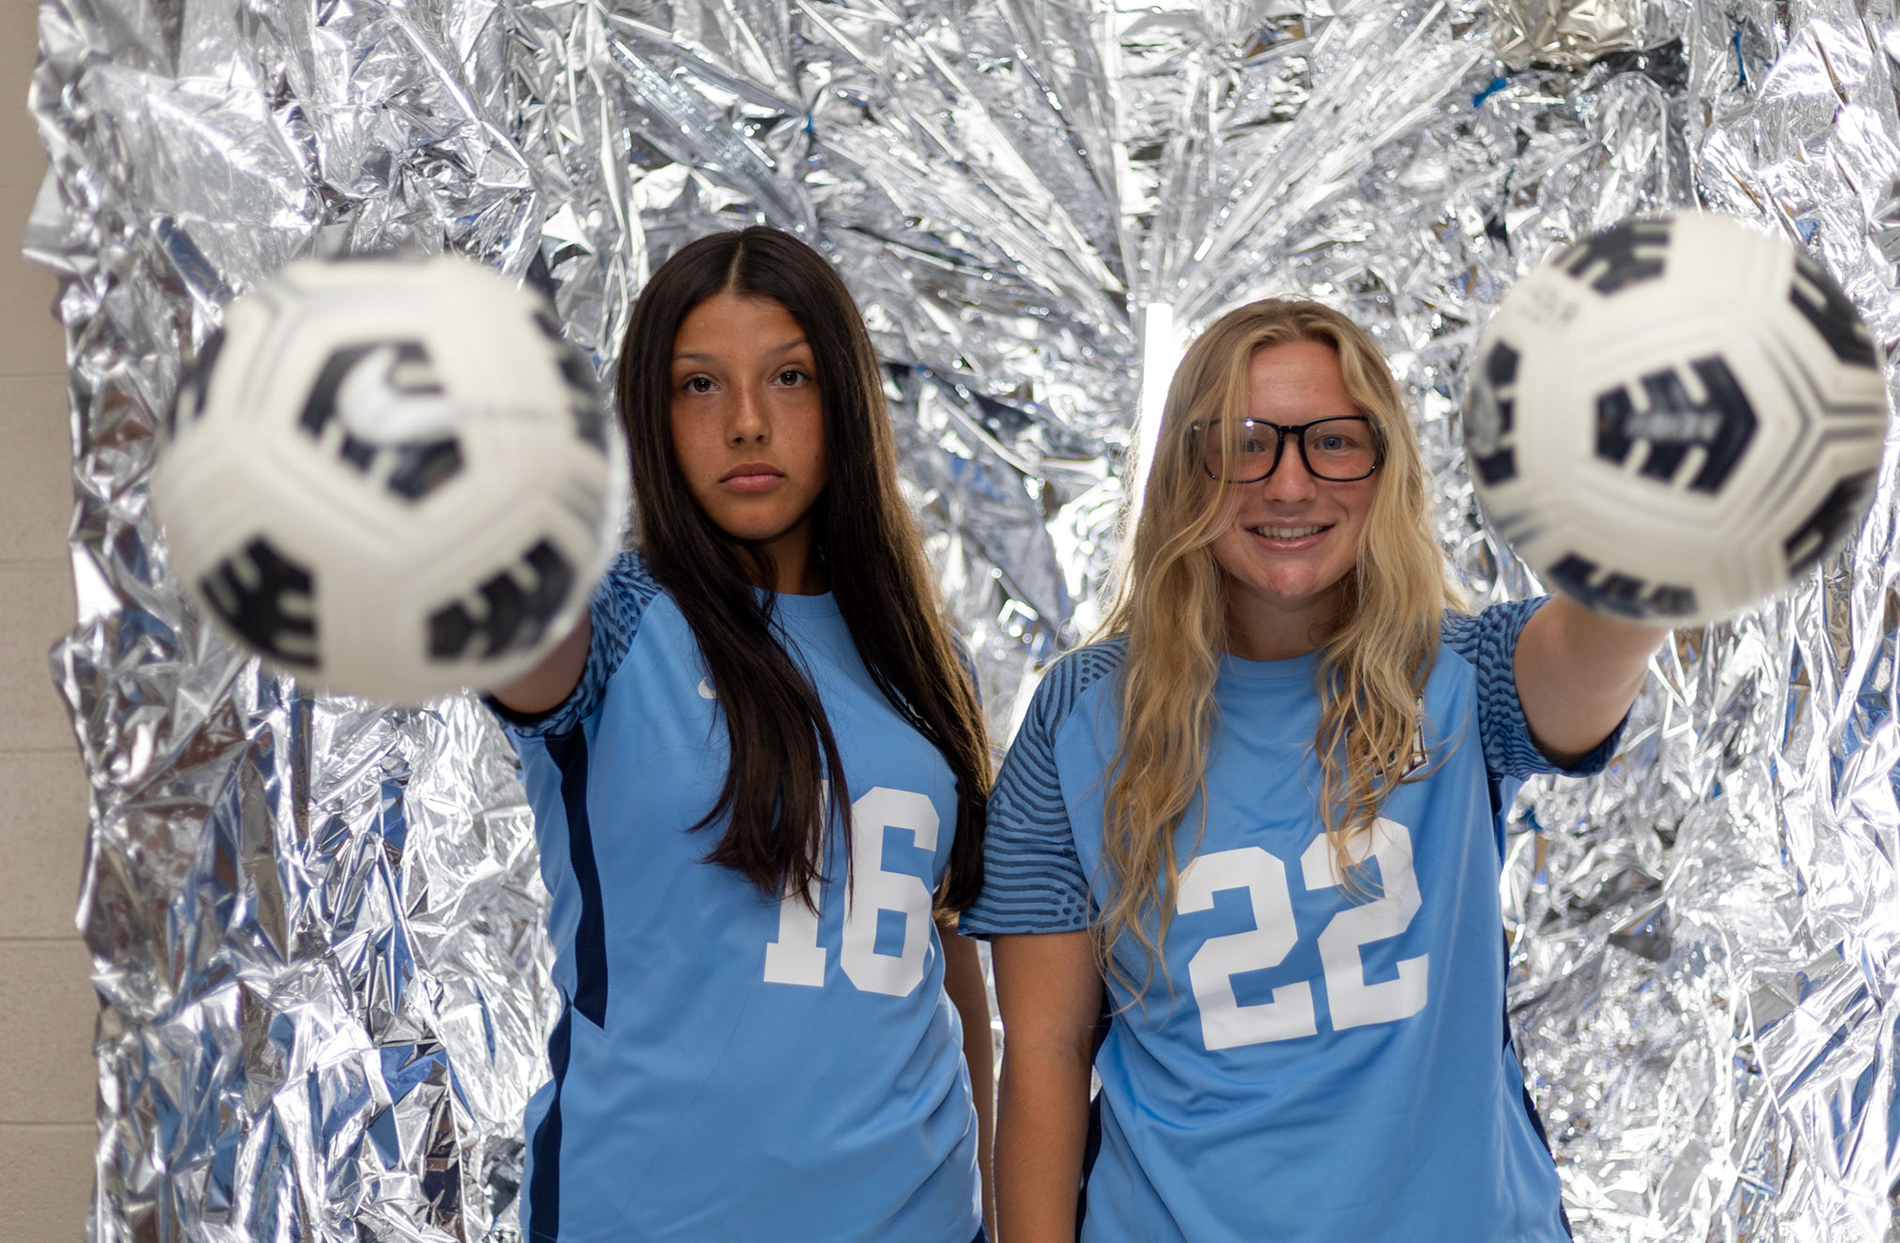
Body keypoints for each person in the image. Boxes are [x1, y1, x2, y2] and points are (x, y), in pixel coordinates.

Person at [964, 298, 1665, 1241]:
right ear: (1185, 470)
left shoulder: (1459, 677)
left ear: (1385, 472)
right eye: (1244, 444)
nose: (1288, 484)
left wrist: (1671, 525)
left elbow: (1595, 650)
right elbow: (1044, 1054)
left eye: (1332, 443)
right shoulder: (1081, 716)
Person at [489, 227, 997, 1242]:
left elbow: (940, 948)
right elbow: (504, 620)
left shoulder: (915, 655)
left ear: (844, 401)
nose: (749, 422)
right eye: (699, 386)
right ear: (649, 412)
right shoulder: (614, 622)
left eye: (790, 377)